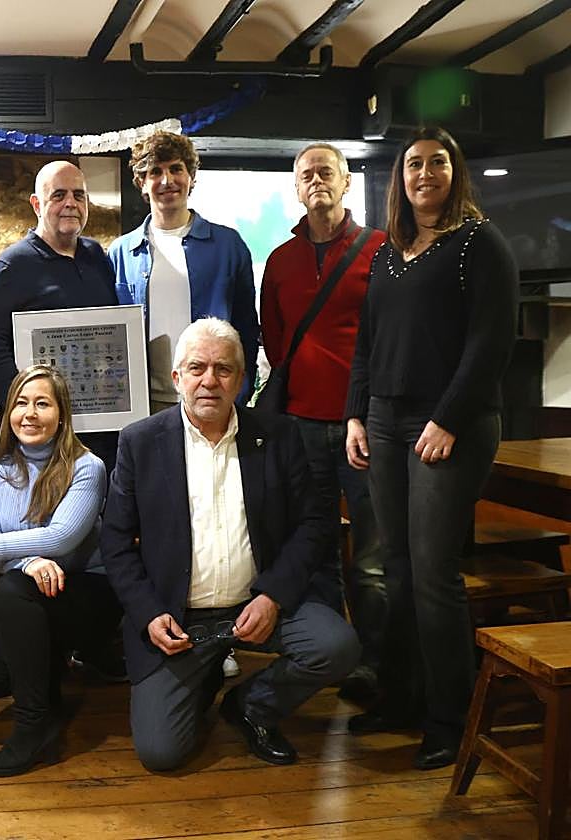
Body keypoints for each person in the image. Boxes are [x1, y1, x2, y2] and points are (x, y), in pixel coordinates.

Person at [100, 317, 359, 771]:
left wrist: (273, 596)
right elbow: (116, 542)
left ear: (241, 380)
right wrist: (148, 614)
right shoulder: (140, 442)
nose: (209, 380)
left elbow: (314, 524)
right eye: (197, 367)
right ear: (177, 377)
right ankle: (199, 679)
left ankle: (252, 706)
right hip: (179, 620)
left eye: (223, 369)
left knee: (335, 646)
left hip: (258, 605)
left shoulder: (279, 435)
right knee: (162, 754)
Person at [344, 126, 519, 770]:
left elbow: (493, 342)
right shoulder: (389, 252)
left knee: (433, 572)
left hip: (453, 425)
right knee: (395, 569)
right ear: (400, 179)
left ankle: (452, 719)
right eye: (413, 164)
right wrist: (356, 414)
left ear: (454, 171)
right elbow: (368, 341)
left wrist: (447, 418)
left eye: (436, 163)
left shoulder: (480, 242)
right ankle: (400, 698)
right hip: (386, 422)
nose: (424, 173)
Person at [0, 364, 122, 776]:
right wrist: (28, 559)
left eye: (43, 403)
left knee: (12, 590)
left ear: (62, 414)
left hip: (86, 592)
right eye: (21, 403)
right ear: (8, 413)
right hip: (28, 599)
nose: (30, 413)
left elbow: (61, 539)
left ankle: (32, 724)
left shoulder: (87, 467)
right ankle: (49, 678)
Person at [260, 142, 389, 702]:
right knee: (313, 545)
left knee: (374, 555)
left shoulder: (380, 251)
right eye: (306, 174)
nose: (316, 181)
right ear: (296, 187)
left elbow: (389, 338)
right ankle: (333, 652)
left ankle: (379, 665)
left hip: (365, 424)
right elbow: (273, 337)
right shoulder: (281, 260)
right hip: (299, 426)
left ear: (346, 184)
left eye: (326, 172)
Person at [0, 160, 119, 471]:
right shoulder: (13, 266)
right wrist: (30, 408)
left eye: (79, 196)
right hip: (45, 440)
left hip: (102, 428)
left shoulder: (97, 257)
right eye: (59, 195)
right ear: (37, 204)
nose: (71, 204)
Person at [108, 131, 259, 405]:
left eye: (176, 168)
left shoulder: (228, 245)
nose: (167, 180)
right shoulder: (121, 252)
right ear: (142, 183)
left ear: (191, 177)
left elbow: (247, 326)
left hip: (212, 398)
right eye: (155, 172)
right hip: (144, 404)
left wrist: (242, 389)